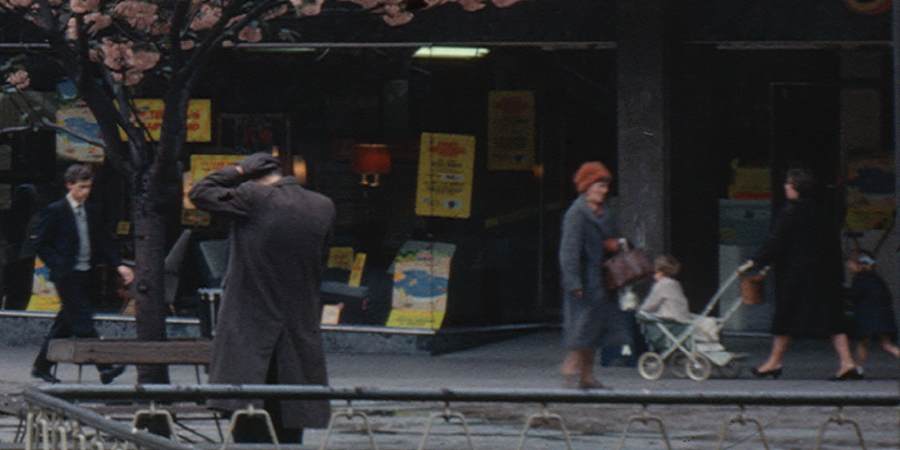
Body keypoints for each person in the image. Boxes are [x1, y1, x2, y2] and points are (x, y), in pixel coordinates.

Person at [189, 153, 335, 444]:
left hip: (250, 329)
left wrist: (239, 169)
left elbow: (200, 192)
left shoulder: (253, 197)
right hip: (297, 329)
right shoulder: (322, 206)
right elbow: (321, 262)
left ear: (254, 178)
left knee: (250, 423)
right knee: (290, 423)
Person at [745, 168, 860, 381]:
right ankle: (847, 362)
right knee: (833, 317)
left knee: (785, 316)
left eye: (788, 184)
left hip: (796, 274)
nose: (785, 187)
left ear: (795, 188)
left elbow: (776, 241)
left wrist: (756, 260)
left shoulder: (790, 211)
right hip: (825, 274)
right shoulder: (822, 211)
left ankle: (774, 361)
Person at [31, 164, 133, 384]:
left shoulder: (92, 211)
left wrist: (119, 265)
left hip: (86, 273)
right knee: (83, 323)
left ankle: (41, 366)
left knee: (65, 323)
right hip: (67, 275)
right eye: (81, 187)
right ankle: (105, 368)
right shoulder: (56, 210)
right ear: (69, 185)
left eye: (89, 187)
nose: (86, 192)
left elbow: (103, 240)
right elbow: (40, 243)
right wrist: (58, 264)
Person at [558, 161, 627, 389]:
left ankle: (586, 376)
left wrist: (614, 244)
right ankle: (570, 369)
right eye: (599, 186)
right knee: (583, 328)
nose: (604, 191)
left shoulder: (606, 212)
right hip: (585, 282)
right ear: (587, 186)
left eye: (606, 186)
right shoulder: (576, 214)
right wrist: (573, 282)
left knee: (595, 330)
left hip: (604, 280)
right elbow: (569, 250)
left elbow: (614, 238)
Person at [844, 249, 900, 375]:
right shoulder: (876, 279)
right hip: (883, 317)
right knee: (887, 345)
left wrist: (843, 293)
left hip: (868, 319)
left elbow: (854, 296)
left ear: (859, 264)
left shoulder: (860, 279)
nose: (848, 265)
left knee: (862, 343)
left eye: (850, 263)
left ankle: (858, 369)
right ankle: (858, 368)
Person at [639, 255, 692, 324]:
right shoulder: (675, 284)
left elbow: (649, 306)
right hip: (682, 320)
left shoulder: (661, 284)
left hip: (668, 322)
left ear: (659, 272)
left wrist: (637, 309)